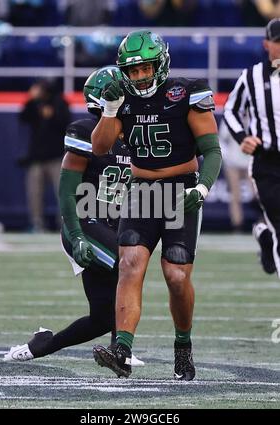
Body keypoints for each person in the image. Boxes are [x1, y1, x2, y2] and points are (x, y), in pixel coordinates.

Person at [92, 29, 222, 380]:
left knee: (176, 275)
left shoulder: (186, 92)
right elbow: (101, 147)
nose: (139, 76)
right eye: (132, 71)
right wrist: (109, 109)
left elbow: (212, 151)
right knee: (130, 262)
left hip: (180, 189)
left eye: (145, 68)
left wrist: (203, 189)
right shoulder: (121, 99)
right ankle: (122, 348)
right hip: (142, 188)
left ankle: (183, 345)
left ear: (160, 65)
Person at [4, 66, 144, 367]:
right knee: (129, 262)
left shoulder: (134, 135)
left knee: (102, 317)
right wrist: (77, 235)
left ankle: (40, 346)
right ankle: (122, 351)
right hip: (83, 224)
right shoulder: (84, 131)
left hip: (111, 226)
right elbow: (67, 193)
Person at [223, 17, 280, 277]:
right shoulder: (252, 77)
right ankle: (269, 233)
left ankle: (263, 234)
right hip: (267, 162)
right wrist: (241, 136)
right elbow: (231, 111)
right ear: (266, 44)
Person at [20, 80, 71, 232]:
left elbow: (65, 122)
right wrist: (32, 100)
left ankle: (65, 225)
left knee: (62, 194)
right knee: (34, 194)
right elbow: (23, 117)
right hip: (37, 157)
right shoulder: (34, 104)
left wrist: (52, 114)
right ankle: (37, 224)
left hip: (57, 156)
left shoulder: (60, 102)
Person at [219, 118, 254, 232]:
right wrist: (227, 157)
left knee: (258, 194)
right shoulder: (231, 116)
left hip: (251, 161)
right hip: (233, 162)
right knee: (236, 196)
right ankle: (237, 225)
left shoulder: (255, 115)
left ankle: (264, 222)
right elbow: (222, 140)